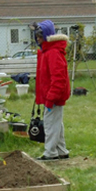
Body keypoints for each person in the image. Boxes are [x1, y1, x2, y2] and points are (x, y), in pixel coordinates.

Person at [32, 20, 71, 161]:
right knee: (56, 122)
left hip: (54, 97)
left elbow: (58, 79)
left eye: (40, 36)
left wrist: (50, 98)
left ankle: (50, 153)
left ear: (47, 36)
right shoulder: (46, 51)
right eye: (36, 36)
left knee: (50, 123)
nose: (38, 39)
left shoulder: (52, 52)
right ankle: (61, 150)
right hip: (52, 95)